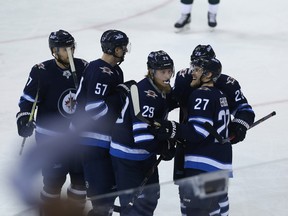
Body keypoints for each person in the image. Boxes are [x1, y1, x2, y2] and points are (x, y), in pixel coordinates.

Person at [171, 44, 255, 215]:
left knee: (207, 201)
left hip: (206, 152)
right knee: (190, 197)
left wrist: (238, 126)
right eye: (193, 64)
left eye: (198, 66)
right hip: (189, 149)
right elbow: (169, 102)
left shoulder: (227, 84)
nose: (193, 70)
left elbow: (245, 111)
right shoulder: (183, 79)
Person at [16, 29, 88, 215]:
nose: (69, 52)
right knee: (53, 183)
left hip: (78, 139)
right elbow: (28, 100)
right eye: (64, 49)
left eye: (71, 48)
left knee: (80, 183)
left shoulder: (84, 67)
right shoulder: (41, 71)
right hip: (51, 140)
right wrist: (24, 118)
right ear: (54, 51)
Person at [150, 56, 232, 215]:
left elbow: (198, 132)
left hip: (202, 167)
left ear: (208, 75)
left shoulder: (201, 94)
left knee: (195, 211)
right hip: (220, 165)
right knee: (213, 209)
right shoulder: (220, 94)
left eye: (197, 70)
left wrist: (172, 128)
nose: (192, 73)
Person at [71, 29, 135, 216]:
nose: (125, 51)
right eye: (122, 48)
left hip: (101, 142)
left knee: (107, 197)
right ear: (113, 49)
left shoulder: (114, 70)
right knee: (101, 200)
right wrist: (119, 96)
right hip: (90, 142)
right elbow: (95, 109)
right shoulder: (100, 71)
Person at [109, 50, 175, 216]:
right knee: (134, 207)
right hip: (128, 157)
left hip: (143, 155)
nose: (167, 76)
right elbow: (143, 138)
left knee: (150, 199)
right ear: (151, 71)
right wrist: (164, 147)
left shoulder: (159, 88)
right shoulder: (147, 94)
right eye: (162, 72)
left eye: (169, 71)